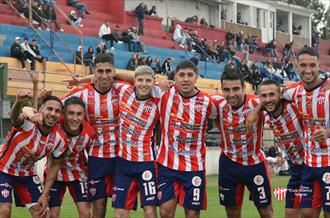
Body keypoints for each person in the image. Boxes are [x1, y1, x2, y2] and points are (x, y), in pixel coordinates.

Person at [62, 53, 128, 218]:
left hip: (122, 157)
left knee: (122, 210)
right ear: (94, 72)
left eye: (108, 71)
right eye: (100, 71)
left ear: (114, 71)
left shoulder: (123, 89)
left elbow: (143, 77)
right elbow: (56, 106)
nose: (104, 75)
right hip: (96, 158)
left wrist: (85, 77)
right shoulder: (82, 93)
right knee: (98, 207)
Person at [156, 60, 216, 218]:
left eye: (190, 75)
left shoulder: (208, 102)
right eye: (181, 75)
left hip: (194, 167)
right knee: (165, 212)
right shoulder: (164, 93)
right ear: (175, 77)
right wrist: (157, 77)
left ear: (197, 78)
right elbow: (136, 78)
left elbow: (219, 119)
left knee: (192, 214)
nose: (186, 79)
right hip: (167, 165)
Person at [211, 68, 273, 218]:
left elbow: (277, 97)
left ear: (244, 88)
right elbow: (192, 97)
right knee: (232, 212)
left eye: (236, 89)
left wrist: (255, 111)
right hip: (229, 164)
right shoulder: (217, 103)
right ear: (221, 89)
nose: (231, 94)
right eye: (226, 89)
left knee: (266, 211)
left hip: (255, 164)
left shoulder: (255, 101)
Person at [0, 91, 67, 218]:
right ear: (40, 110)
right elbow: (15, 118)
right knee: (4, 211)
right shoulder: (29, 121)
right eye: (49, 109)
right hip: (3, 170)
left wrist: (45, 194)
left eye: (57, 111)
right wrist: (19, 102)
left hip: (27, 175)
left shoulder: (60, 139)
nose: (53, 114)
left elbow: (55, 165)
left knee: (43, 214)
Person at [282, 47, 329, 218]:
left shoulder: (329, 90)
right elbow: (271, 96)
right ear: (296, 66)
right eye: (303, 65)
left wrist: (328, 132)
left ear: (318, 66)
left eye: (312, 65)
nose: (308, 70)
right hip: (309, 164)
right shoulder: (293, 91)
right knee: (308, 213)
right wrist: (257, 111)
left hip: (329, 163)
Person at [112, 66, 161, 218]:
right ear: (134, 81)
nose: (144, 84)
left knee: (150, 211)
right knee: (120, 213)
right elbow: (110, 74)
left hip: (147, 162)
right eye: (140, 80)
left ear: (153, 82)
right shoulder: (124, 90)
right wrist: (84, 80)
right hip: (123, 163)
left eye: (148, 80)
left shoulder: (159, 99)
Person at [258, 80, 307, 217]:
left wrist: (292, 85)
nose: (268, 99)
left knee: (310, 212)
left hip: (313, 163)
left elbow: (309, 87)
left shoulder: (294, 104)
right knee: (290, 213)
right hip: (296, 168)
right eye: (264, 96)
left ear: (280, 94)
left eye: (272, 94)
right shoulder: (266, 116)